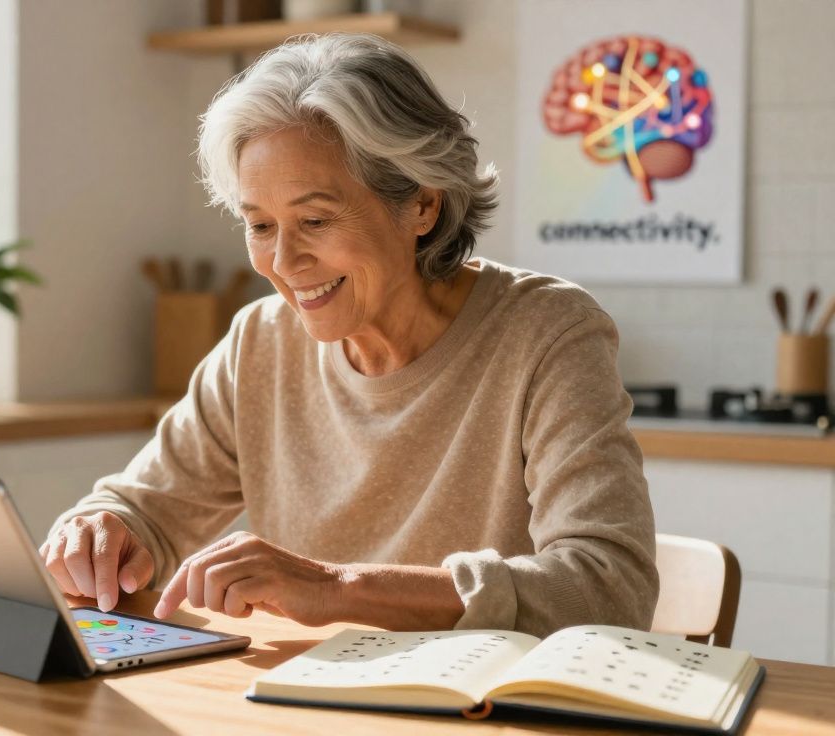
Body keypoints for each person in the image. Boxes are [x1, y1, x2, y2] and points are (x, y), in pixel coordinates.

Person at [39, 33, 657, 637]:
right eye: (259, 225)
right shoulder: (262, 342)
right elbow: (145, 509)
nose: (283, 260)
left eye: (314, 219)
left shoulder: (547, 332)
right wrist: (99, 531)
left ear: (423, 205)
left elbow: (608, 588)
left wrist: (337, 589)